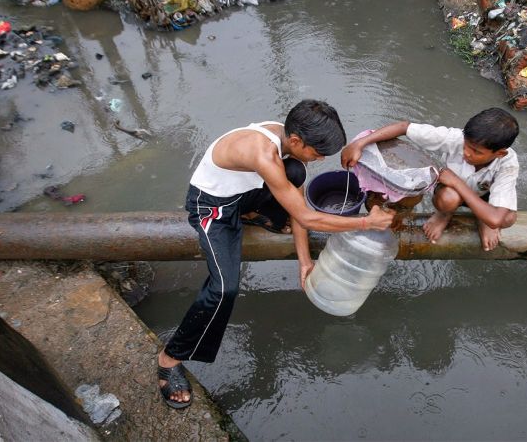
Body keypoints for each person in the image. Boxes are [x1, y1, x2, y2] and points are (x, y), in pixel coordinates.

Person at [158, 99, 395, 408]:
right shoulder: (263, 153)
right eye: (317, 153)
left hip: (241, 195)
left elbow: (299, 207)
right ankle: (168, 359)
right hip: (211, 207)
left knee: (295, 171)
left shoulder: (286, 137)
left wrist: (305, 261)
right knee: (223, 289)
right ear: (296, 140)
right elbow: (308, 218)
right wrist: (366, 222)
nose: (319, 160)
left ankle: (253, 213)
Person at [341, 108, 519, 251]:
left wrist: (457, 182)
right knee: (449, 198)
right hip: (451, 193)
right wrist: (359, 143)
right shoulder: (455, 138)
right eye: (466, 146)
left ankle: (481, 219)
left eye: (476, 152)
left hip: (481, 196)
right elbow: (404, 127)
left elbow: (497, 219)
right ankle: (444, 214)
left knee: (508, 219)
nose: (467, 153)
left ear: (499, 153)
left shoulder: (508, 163)